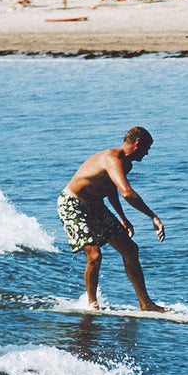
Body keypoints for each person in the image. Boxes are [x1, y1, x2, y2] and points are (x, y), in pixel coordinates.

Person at [58, 126, 167, 311]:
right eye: (147, 148)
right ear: (138, 143)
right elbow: (127, 193)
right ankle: (92, 305)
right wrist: (153, 216)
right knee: (94, 255)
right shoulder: (112, 158)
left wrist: (122, 218)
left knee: (130, 250)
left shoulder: (127, 164)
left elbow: (110, 188)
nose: (147, 153)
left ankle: (145, 303)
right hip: (72, 205)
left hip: (95, 206)